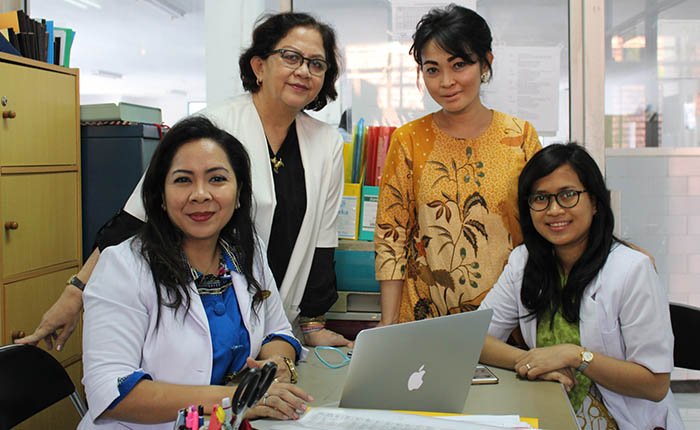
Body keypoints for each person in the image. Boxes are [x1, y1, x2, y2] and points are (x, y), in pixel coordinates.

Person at [17, 11, 352, 351]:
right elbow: (136, 219)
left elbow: (322, 241)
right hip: (201, 319)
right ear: (259, 66)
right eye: (291, 57)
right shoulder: (212, 127)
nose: (303, 71)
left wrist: (313, 323)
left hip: (277, 328)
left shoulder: (326, 143)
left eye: (316, 64)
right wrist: (75, 291)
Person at [79, 116, 312, 429]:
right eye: (183, 180)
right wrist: (237, 398)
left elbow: (278, 331)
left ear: (239, 192)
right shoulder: (122, 266)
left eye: (217, 179)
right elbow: (110, 392)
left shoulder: (246, 250)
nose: (200, 194)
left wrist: (277, 362)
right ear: (161, 197)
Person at [479, 143, 683, 430]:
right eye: (540, 198)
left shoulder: (632, 269)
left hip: (624, 422)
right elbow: (477, 339)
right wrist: (533, 361)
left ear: (595, 202)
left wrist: (576, 356)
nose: (554, 210)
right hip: (550, 415)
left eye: (568, 195)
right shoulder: (523, 262)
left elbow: (655, 384)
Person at [375, 4, 541, 324]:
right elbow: (391, 238)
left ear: (486, 63)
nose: (446, 82)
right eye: (432, 69)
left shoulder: (520, 137)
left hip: (508, 319)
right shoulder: (408, 140)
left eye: (459, 64)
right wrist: (387, 324)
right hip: (425, 321)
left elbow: (543, 225)